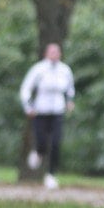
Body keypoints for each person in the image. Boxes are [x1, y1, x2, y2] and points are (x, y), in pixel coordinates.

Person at [19, 42, 76, 189]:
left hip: (57, 110)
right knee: (42, 141)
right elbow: (26, 87)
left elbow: (70, 89)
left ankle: (51, 175)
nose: (54, 55)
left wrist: (69, 101)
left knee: (56, 142)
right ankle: (38, 152)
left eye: (57, 52)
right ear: (46, 53)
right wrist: (28, 106)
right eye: (52, 52)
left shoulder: (65, 70)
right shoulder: (39, 69)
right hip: (41, 110)